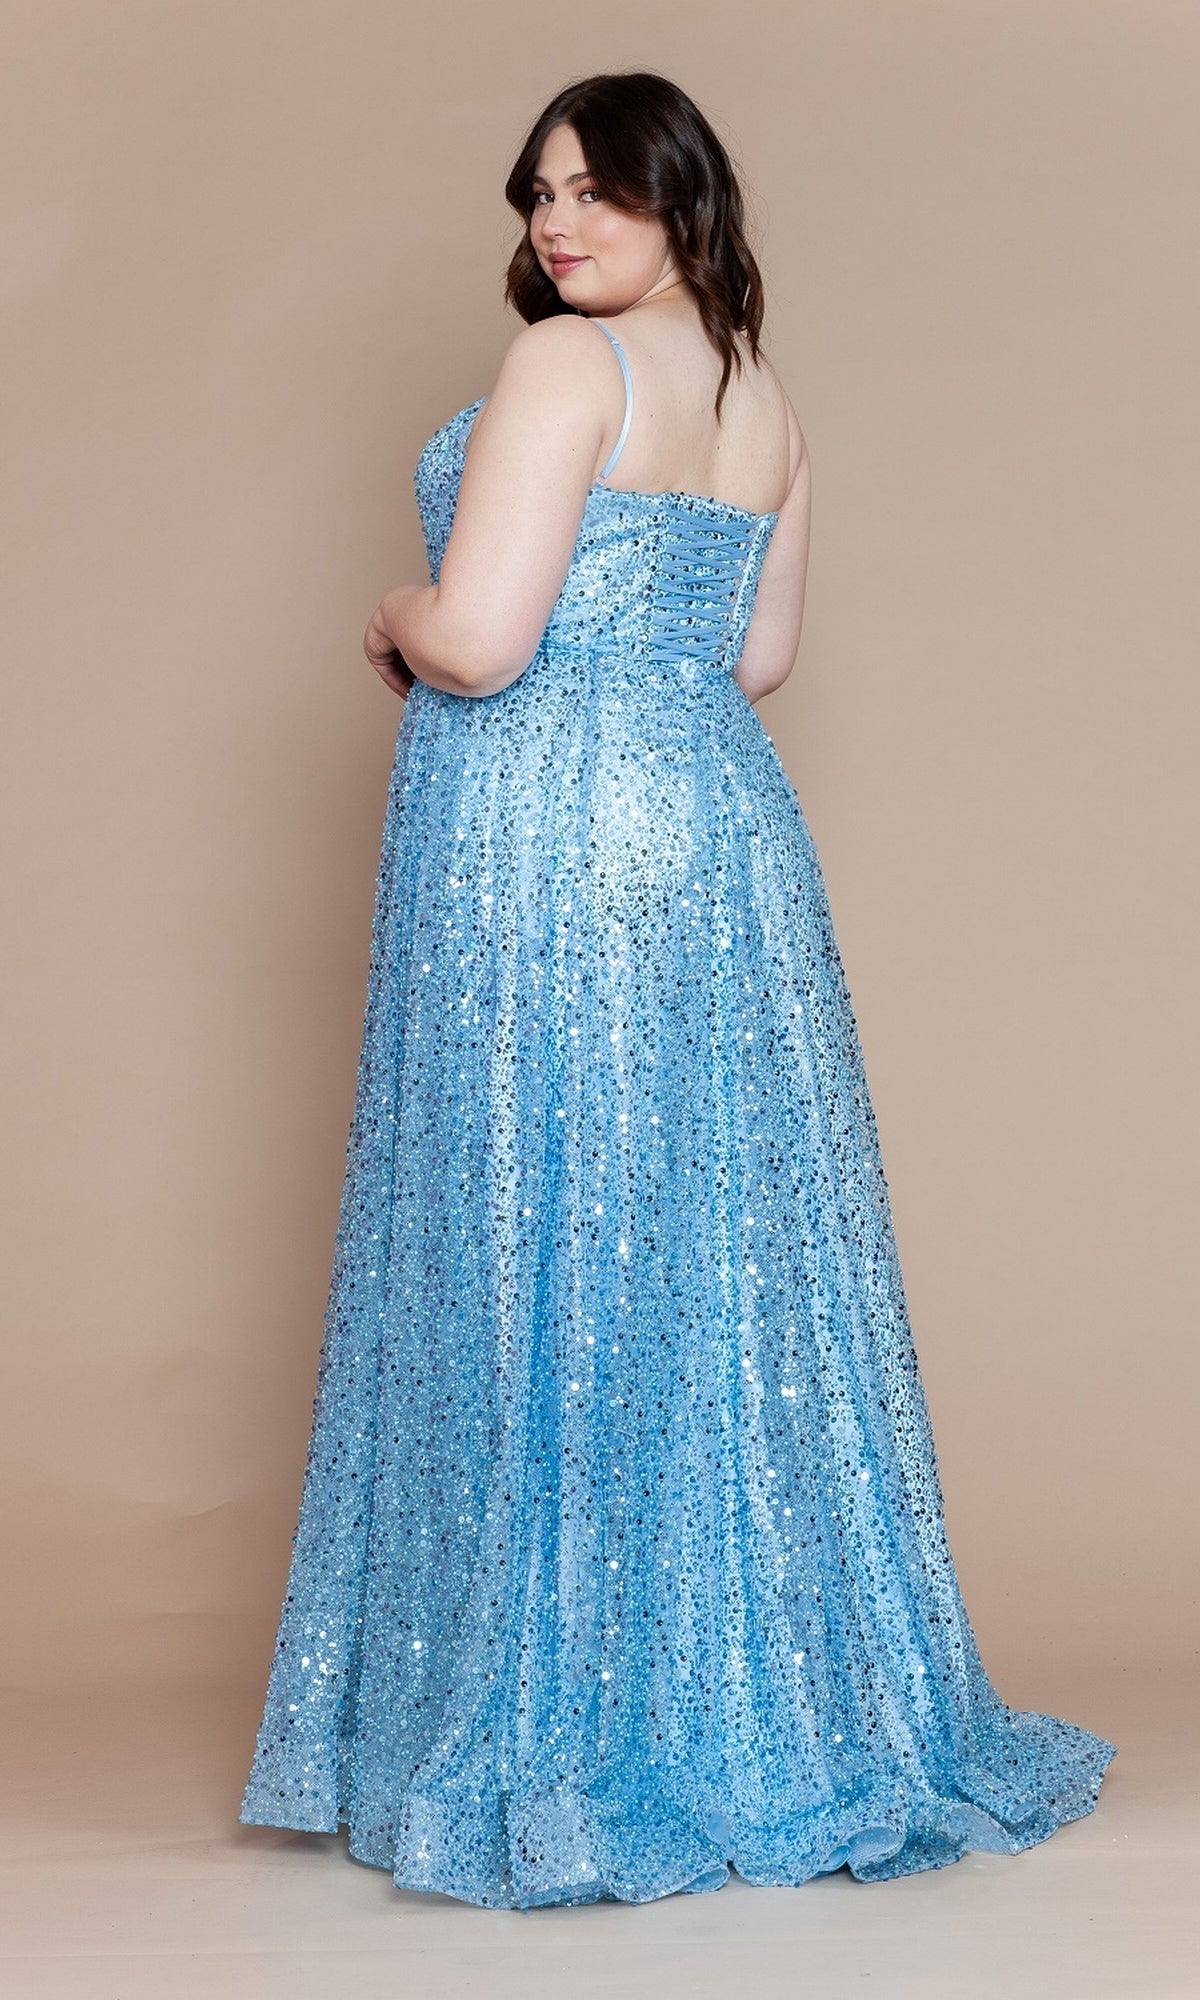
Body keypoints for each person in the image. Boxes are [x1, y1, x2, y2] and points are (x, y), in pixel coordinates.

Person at [238, 70, 1116, 1910]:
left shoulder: (569, 368)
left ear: (678, 197)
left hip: (550, 835)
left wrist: (395, 619)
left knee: (535, 1240)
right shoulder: (767, 401)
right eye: (541, 193)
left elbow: (483, 641)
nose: (559, 225)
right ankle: (757, 1704)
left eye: (598, 191)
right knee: (700, 1258)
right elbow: (763, 655)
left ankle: (560, 1717)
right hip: (716, 833)